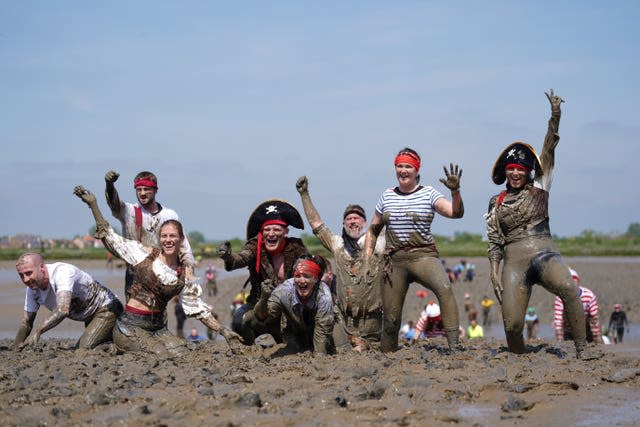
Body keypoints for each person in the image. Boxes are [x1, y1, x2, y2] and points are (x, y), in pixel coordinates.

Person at [74, 186, 240, 357]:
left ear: (181, 239)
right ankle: (113, 346)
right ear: (160, 239)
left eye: (172, 236)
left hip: (158, 328)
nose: (168, 240)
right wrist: (93, 205)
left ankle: (126, 347)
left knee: (182, 353)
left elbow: (197, 309)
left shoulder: (184, 274)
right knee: (161, 354)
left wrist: (224, 331)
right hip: (130, 325)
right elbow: (111, 238)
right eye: (164, 236)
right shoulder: (144, 254)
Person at [485, 89, 588, 358]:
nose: (516, 172)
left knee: (568, 288)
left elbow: (549, 148)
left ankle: (583, 350)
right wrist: (494, 271)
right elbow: (494, 241)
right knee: (513, 324)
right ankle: (518, 357)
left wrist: (555, 117)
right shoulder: (496, 201)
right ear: (505, 171)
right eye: (511, 168)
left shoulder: (541, 187)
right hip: (514, 261)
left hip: (544, 253)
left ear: (529, 171)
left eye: (521, 169)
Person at [364, 147, 464, 353]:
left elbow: (455, 213)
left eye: (408, 166)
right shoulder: (387, 196)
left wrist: (455, 191)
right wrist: (367, 258)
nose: (403, 170)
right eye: (399, 166)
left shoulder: (429, 193)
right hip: (395, 261)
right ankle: (387, 353)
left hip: (423, 255)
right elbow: (373, 231)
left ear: (417, 170)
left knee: (445, 289)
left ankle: (455, 347)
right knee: (391, 318)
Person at [296, 176, 385, 352]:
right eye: (348, 219)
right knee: (338, 349)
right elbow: (316, 225)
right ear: (344, 225)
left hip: (374, 323)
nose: (353, 221)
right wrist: (304, 194)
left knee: (371, 348)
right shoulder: (337, 245)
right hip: (345, 322)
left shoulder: (379, 243)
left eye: (357, 218)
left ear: (364, 223)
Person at [217, 199, 308, 344]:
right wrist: (227, 256)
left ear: (285, 232)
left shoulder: (296, 247)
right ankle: (248, 348)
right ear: (262, 232)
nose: (271, 234)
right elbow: (240, 259)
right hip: (259, 304)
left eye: (276, 229)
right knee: (239, 320)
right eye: (267, 229)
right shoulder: (255, 247)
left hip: (289, 307)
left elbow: (307, 267)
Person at [104, 170, 196, 301]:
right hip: (135, 274)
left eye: (146, 189)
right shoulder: (129, 211)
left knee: (158, 316)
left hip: (161, 273)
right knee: (134, 315)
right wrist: (109, 185)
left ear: (155, 190)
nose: (142, 193)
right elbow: (114, 203)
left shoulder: (169, 215)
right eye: (139, 189)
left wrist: (189, 277)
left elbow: (183, 246)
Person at [14, 252, 123, 350]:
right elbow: (27, 322)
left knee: (83, 349)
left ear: (41, 267)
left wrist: (38, 331)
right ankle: (111, 339)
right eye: (21, 275)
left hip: (107, 309)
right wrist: (17, 346)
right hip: (89, 317)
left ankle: (114, 347)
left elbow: (63, 309)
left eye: (29, 273)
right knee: (88, 345)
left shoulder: (62, 272)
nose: (25, 279)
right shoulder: (32, 288)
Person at [253, 255, 335, 354]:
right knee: (293, 350)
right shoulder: (283, 291)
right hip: (294, 329)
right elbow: (261, 317)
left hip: (322, 326)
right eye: (298, 276)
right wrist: (264, 298)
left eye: (307, 276)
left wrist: (319, 356)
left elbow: (323, 331)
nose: (302, 281)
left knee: (335, 347)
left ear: (316, 279)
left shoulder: (324, 294)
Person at [554, 268, 601, 344]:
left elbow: (594, 319)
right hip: (568, 330)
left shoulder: (589, 295)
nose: (571, 284)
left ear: (578, 281)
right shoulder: (560, 297)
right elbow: (558, 321)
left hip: (586, 328)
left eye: (573, 280)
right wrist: (560, 342)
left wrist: (597, 339)